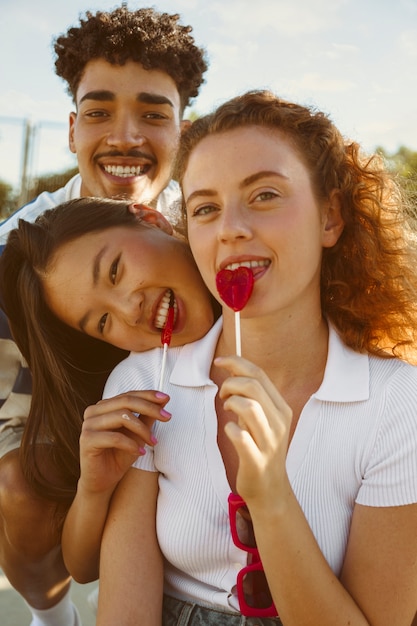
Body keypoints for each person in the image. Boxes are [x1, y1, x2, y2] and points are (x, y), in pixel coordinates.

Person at [87, 90, 417, 625]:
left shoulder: (397, 402)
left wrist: (271, 499)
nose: (230, 228)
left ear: (330, 218)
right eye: (205, 208)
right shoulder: (145, 381)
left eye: (264, 195)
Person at [0, 5, 207, 625]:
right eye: (98, 112)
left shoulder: (213, 214)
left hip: (188, 388)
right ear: (70, 129)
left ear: (181, 131)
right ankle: (49, 616)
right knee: (19, 485)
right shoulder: (19, 251)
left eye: (152, 113)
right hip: (65, 400)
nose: (124, 137)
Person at [0, 197, 216, 619]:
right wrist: (94, 489)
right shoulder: (141, 385)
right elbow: (81, 567)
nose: (129, 310)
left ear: (152, 218)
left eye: (115, 270)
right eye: (102, 323)